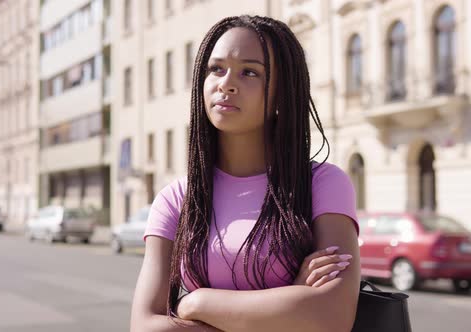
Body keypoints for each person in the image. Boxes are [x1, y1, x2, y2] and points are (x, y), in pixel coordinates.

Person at [131, 15, 360, 332]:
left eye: (250, 72)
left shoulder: (323, 185)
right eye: (216, 69)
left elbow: (331, 316)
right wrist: (289, 306)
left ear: (282, 92)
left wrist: (197, 303)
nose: (226, 83)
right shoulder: (175, 200)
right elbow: (144, 326)